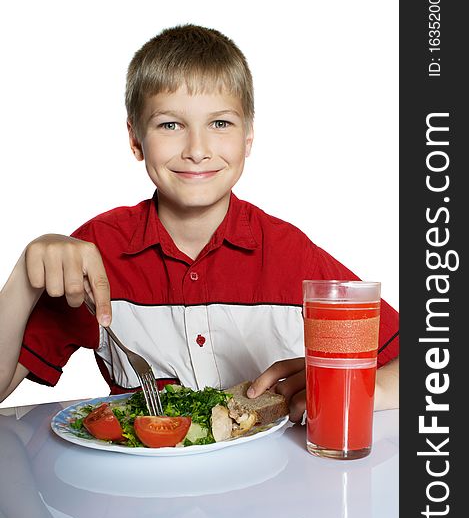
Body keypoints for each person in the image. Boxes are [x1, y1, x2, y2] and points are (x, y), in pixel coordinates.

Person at [0, 24, 399, 420]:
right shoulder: (96, 253)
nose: (197, 150)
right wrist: (25, 274)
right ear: (136, 139)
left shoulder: (290, 254)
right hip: (141, 484)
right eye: (170, 125)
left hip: (275, 480)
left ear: (248, 138)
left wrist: (364, 389)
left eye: (220, 123)